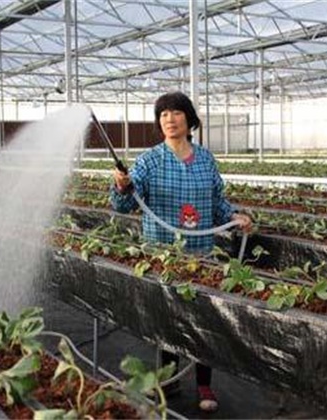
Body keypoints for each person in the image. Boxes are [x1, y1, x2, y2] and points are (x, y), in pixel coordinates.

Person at [110, 90, 252, 412]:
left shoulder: (205, 159)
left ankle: (204, 385)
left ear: (189, 119)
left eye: (175, 113)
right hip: (164, 253)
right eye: (163, 115)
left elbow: (217, 201)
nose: (169, 119)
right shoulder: (149, 161)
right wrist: (121, 186)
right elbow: (127, 203)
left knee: (204, 317)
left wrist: (234, 216)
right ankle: (169, 381)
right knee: (168, 317)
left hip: (200, 250)